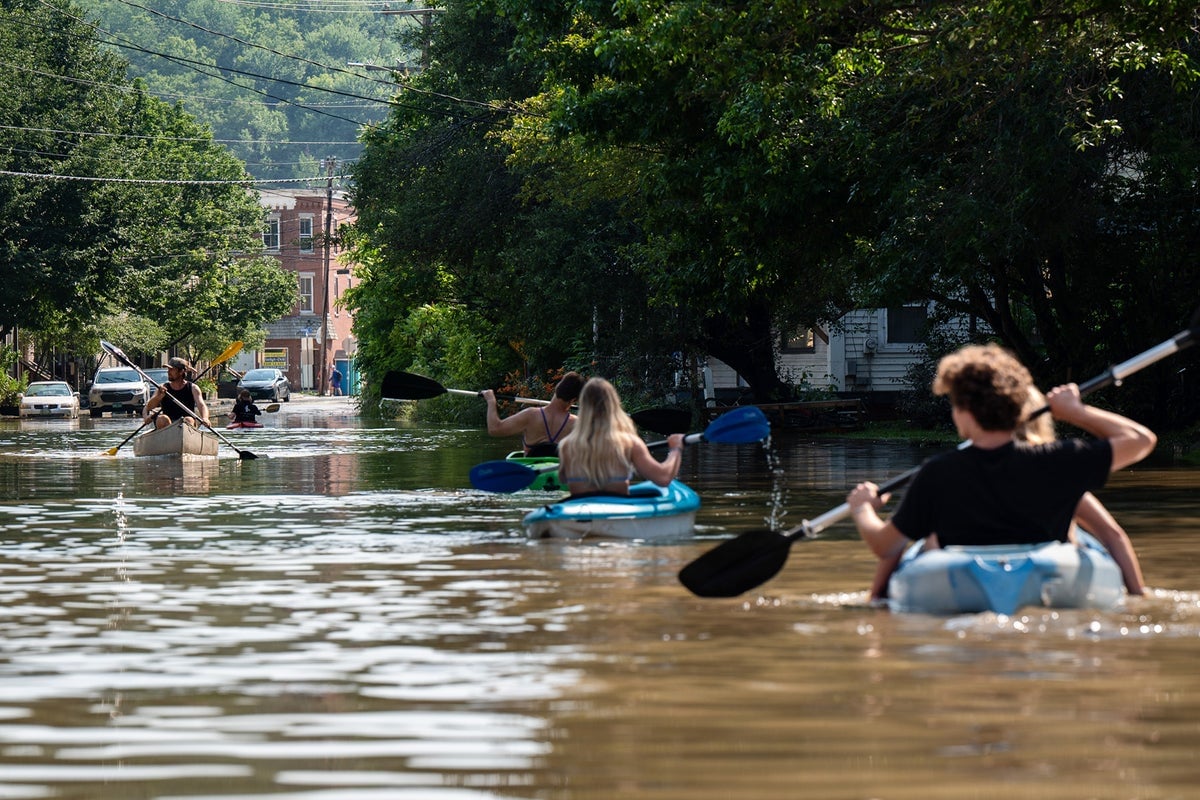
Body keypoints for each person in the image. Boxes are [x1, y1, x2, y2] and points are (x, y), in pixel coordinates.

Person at [847, 343, 1156, 600]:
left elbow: (884, 545)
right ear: (1020, 406)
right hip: (1047, 578)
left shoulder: (937, 473)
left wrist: (862, 508)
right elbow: (1141, 441)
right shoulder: (1060, 461)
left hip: (963, 588)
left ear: (963, 412)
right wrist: (1076, 412)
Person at [556, 377, 686, 496]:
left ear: (583, 407)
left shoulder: (566, 446)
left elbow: (562, 479)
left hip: (579, 513)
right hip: (617, 513)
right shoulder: (629, 443)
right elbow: (663, 478)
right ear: (614, 405)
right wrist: (676, 449)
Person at [481, 371, 585, 457]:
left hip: (531, 474)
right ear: (574, 400)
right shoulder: (577, 424)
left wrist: (491, 400)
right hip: (560, 475)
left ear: (557, 387)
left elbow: (494, 429)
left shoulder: (531, 415)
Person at [143, 356, 210, 430]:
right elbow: (149, 407)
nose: (168, 372)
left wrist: (205, 418)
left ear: (181, 372)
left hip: (187, 424)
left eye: (171, 369)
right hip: (167, 424)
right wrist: (158, 397)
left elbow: (201, 405)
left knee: (188, 419)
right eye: (168, 369)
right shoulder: (162, 388)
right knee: (162, 418)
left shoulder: (193, 388)